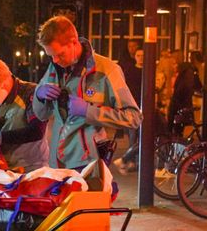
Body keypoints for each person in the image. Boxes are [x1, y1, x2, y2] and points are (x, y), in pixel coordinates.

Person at [32, 16, 141, 171]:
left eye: (59, 54)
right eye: (51, 56)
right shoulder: (54, 68)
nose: (55, 60)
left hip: (88, 166)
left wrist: (88, 111)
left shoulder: (107, 70)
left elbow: (133, 117)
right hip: (56, 164)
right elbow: (41, 115)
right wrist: (39, 96)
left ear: (74, 42)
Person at [168, 51, 203, 136]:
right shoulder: (185, 71)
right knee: (177, 128)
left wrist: (176, 97)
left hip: (180, 105)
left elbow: (184, 88)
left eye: (174, 62)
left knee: (177, 129)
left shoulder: (187, 72)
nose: (173, 65)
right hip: (180, 104)